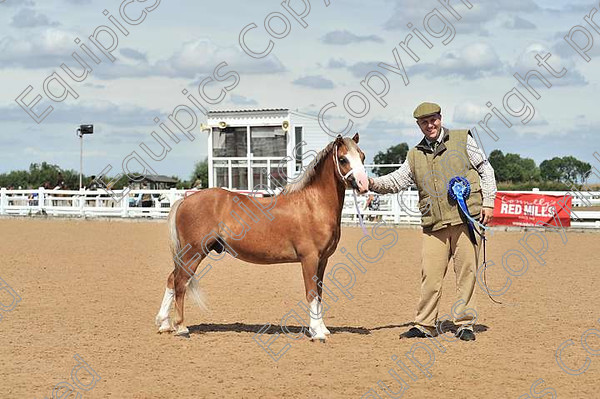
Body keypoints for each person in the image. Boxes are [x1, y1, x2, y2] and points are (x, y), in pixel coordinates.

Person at [369, 102, 497, 341]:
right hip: (434, 224)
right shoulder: (414, 154)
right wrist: (372, 184)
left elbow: (485, 169)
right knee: (430, 274)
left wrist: (488, 202)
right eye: (424, 122)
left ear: (440, 118)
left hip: (465, 219)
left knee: (466, 272)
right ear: (418, 125)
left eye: (433, 120)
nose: (430, 125)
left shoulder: (462, 139)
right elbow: (397, 180)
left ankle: (465, 324)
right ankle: (424, 324)